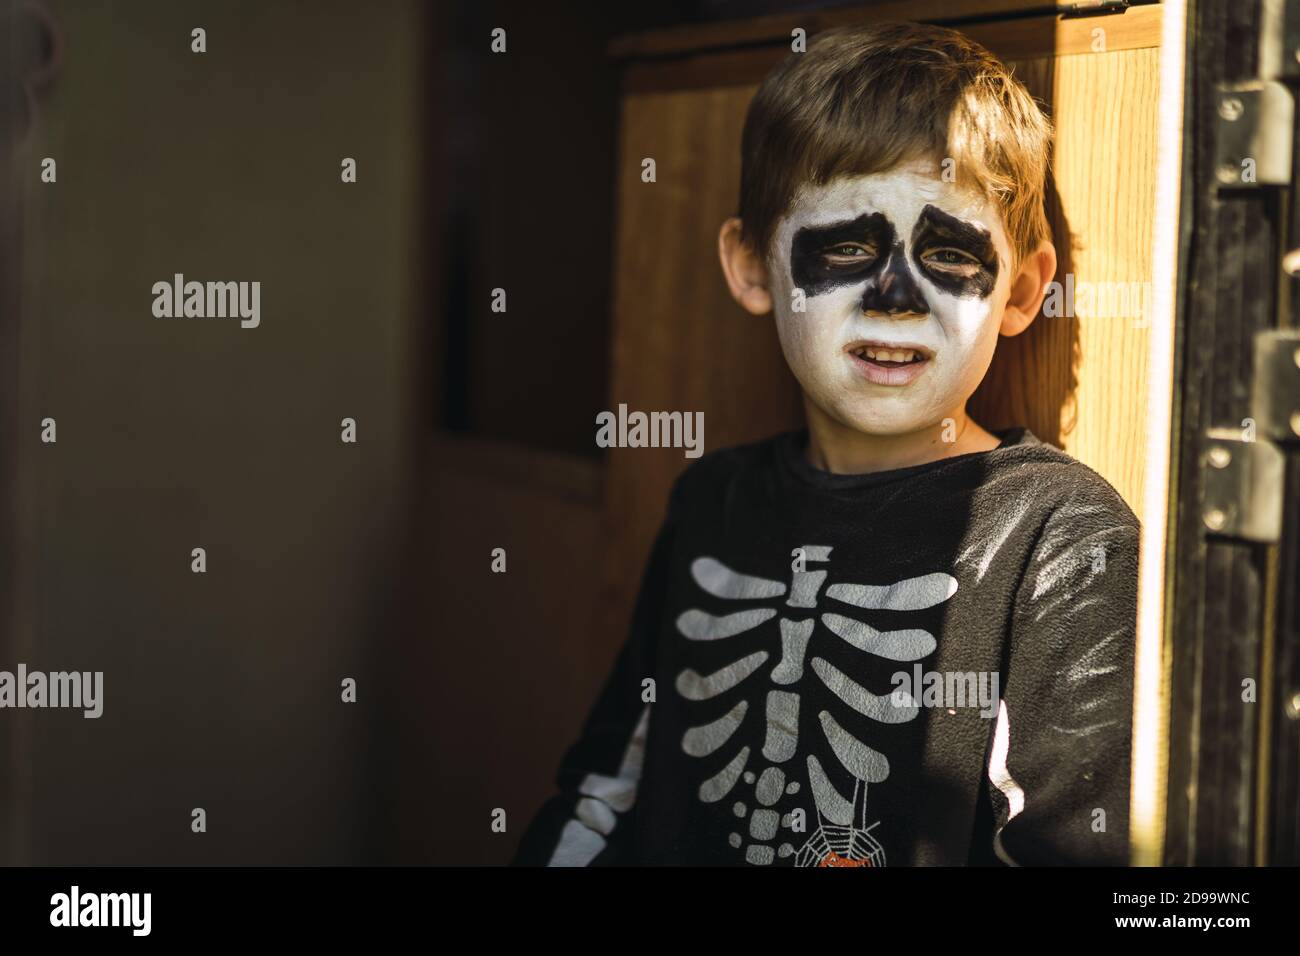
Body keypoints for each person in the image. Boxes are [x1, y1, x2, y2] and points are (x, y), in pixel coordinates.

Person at [514, 21, 1138, 867]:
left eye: (949, 255)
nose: (894, 298)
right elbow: (599, 794)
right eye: (847, 245)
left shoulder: (1059, 537)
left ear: (1023, 291)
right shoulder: (713, 502)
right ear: (749, 266)